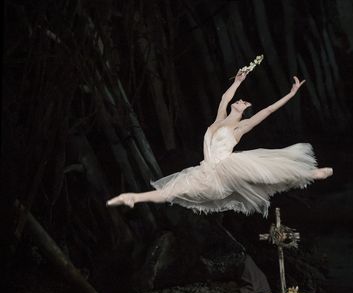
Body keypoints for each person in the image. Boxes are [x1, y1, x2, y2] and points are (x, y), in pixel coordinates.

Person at [107, 71, 333, 217]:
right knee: (170, 192)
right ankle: (134, 197)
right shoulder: (219, 120)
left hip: (227, 168)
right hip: (205, 173)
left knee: (269, 172)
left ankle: (312, 173)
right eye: (240, 99)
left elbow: (268, 110)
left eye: (243, 102)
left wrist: (291, 94)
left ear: (244, 112)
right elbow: (224, 98)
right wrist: (237, 82)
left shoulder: (240, 128)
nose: (239, 100)